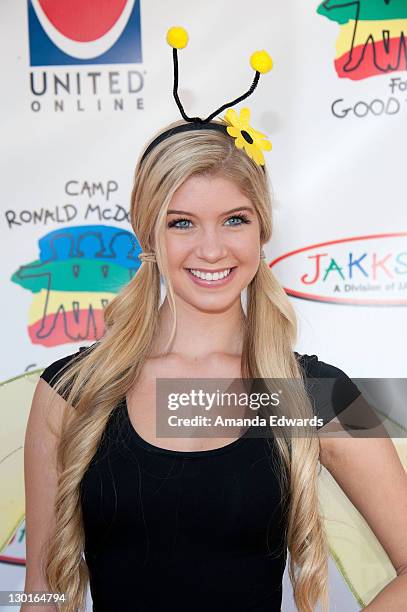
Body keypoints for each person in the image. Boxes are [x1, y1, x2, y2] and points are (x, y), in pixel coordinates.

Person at [23, 26, 407, 612]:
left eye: (234, 220)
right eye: (182, 222)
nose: (211, 248)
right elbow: (43, 592)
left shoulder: (310, 394)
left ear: (262, 231)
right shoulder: (73, 391)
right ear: (147, 231)